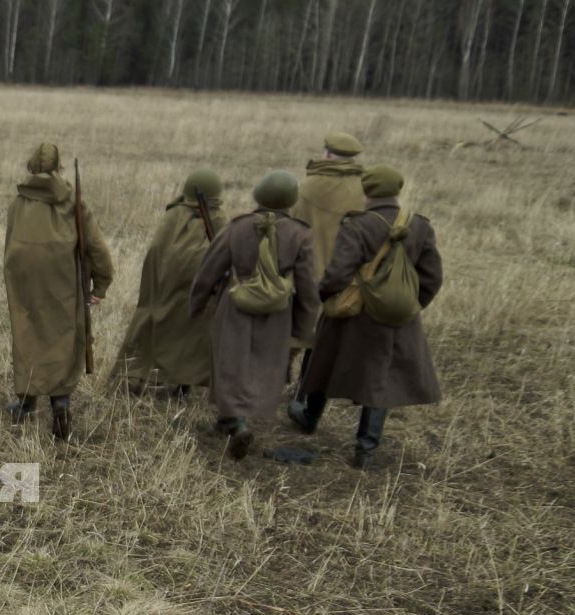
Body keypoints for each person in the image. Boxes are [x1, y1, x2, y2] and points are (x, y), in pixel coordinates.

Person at [289, 164, 443, 468]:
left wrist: (321, 297)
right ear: (396, 192)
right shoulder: (420, 226)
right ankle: (365, 449)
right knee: (380, 377)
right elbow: (432, 278)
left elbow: (337, 274)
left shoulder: (358, 225)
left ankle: (309, 417)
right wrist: (408, 305)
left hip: (353, 313)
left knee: (325, 360)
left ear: (368, 192)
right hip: (397, 318)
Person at [187, 171, 319, 459]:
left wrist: (195, 305)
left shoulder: (237, 227)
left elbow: (207, 271)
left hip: (235, 305)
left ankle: (236, 422)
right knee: (262, 364)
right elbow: (308, 288)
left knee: (229, 363)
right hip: (277, 312)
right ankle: (230, 419)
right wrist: (304, 326)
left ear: (258, 195)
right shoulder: (301, 234)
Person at [3, 142, 112, 439]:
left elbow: (9, 243)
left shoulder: (18, 203)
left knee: (28, 335)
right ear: (58, 167)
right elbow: (97, 248)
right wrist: (101, 284)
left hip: (23, 281)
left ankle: (25, 404)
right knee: (62, 339)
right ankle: (60, 405)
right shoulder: (73, 203)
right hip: (64, 283)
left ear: (31, 168)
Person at [110, 169, 224, 396]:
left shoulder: (174, 216)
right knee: (192, 333)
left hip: (165, 287)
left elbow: (156, 251)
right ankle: (180, 383)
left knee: (154, 326)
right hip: (198, 292)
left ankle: (141, 377)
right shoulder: (218, 218)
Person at [288, 132, 366, 382]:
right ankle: (308, 385)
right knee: (328, 332)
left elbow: (292, 225)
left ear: (327, 154)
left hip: (308, 267)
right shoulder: (364, 189)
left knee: (296, 326)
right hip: (345, 273)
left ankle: (281, 375)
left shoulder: (310, 187)